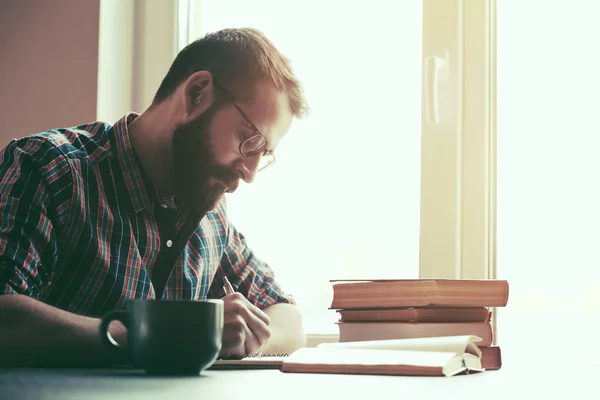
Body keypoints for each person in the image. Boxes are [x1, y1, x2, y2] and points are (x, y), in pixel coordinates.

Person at [0, 27, 309, 367]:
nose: (249, 173)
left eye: (263, 155)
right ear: (196, 94)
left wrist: (242, 339)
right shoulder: (48, 169)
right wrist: (164, 334)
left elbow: (289, 320)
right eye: (249, 140)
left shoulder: (211, 218)